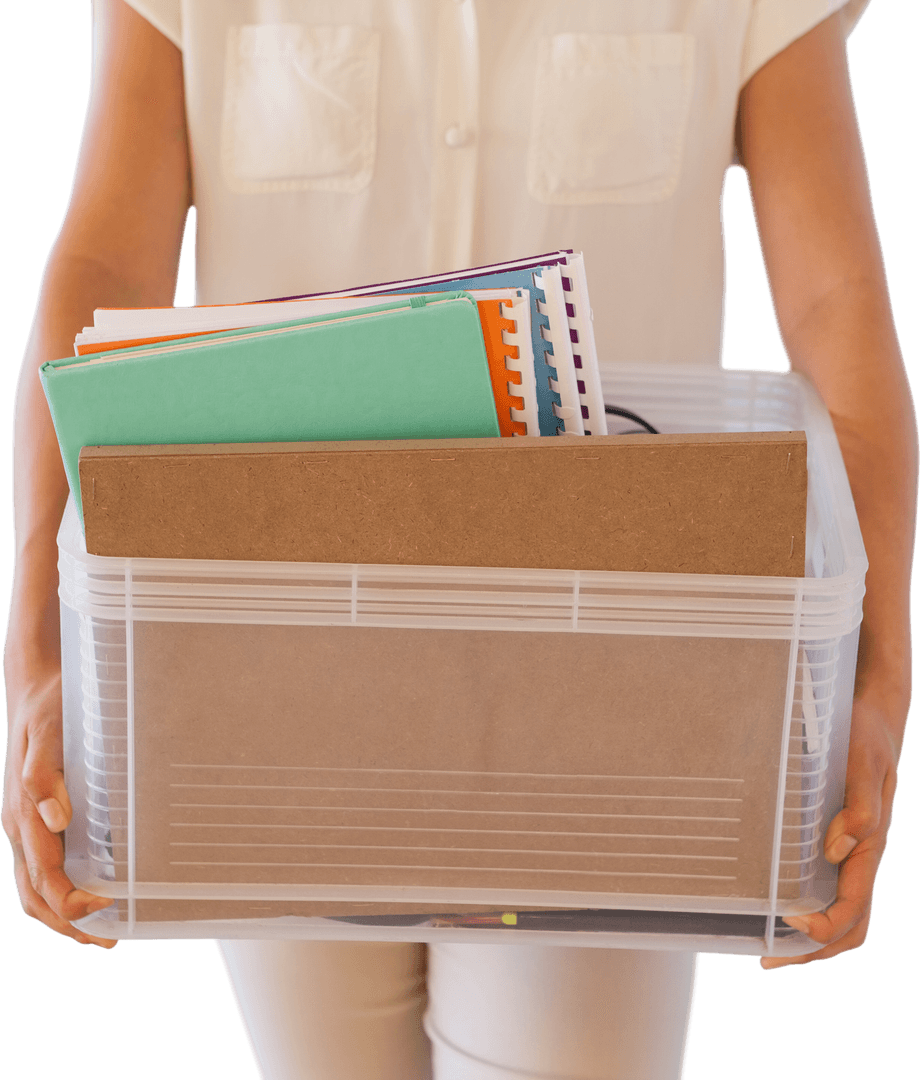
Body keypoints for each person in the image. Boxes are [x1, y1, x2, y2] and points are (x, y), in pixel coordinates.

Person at [2, 1, 915, 1078]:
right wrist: (42, 641)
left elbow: (833, 298)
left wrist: (878, 660)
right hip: (264, 675)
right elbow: (108, 267)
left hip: (617, 693)